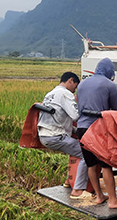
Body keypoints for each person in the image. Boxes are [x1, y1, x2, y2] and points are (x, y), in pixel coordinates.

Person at [76, 57, 117, 209]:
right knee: (106, 165)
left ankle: (99, 196)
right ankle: (113, 200)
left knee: (91, 164)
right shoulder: (109, 84)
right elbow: (116, 109)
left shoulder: (82, 83)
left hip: (82, 128)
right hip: (97, 130)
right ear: (109, 71)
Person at [37, 71, 89, 199]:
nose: (74, 90)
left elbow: (58, 118)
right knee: (86, 153)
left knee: (74, 149)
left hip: (44, 134)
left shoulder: (51, 93)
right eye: (75, 86)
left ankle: (68, 181)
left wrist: (75, 131)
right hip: (55, 136)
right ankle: (78, 190)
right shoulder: (65, 94)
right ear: (70, 80)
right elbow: (75, 116)